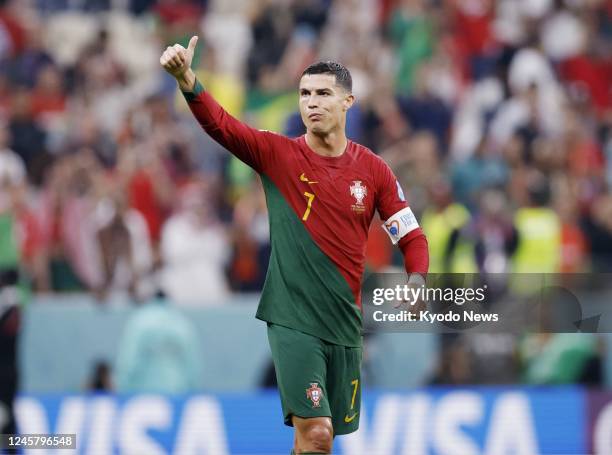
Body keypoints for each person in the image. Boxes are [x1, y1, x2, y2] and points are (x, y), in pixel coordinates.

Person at [160, 36, 429, 454]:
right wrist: (187, 79)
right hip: (293, 316)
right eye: (305, 94)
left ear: (348, 103)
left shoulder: (374, 170)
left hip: (344, 323)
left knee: (318, 439)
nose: (312, 103)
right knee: (318, 432)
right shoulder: (278, 155)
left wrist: (417, 278)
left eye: (324, 94)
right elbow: (223, 126)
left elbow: (410, 235)